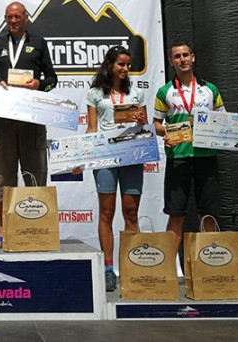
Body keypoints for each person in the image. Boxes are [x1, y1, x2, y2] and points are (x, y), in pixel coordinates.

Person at [153, 41, 238, 251]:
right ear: (171, 62)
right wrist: (169, 132)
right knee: (176, 214)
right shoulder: (165, 91)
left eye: (185, 55)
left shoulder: (210, 89)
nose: (182, 59)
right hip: (178, 157)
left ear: (193, 58)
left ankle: (210, 267)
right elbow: (156, 125)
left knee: (208, 213)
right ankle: (168, 270)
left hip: (206, 155)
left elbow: (223, 120)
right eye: (177, 56)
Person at [0, 1, 57, 249]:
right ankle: (2, 229)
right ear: (5, 19)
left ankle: (36, 226)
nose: (13, 21)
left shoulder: (39, 42)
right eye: (9, 17)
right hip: (3, 120)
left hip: (32, 119)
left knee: (35, 172)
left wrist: (38, 84)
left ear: (25, 18)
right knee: (1, 175)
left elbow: (52, 79)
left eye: (17, 16)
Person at [79, 45, 147, 292]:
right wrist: (81, 156)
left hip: (131, 155)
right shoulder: (95, 94)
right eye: (121, 64)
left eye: (128, 65)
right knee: (106, 213)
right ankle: (108, 268)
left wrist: (141, 121)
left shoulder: (137, 93)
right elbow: (91, 128)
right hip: (105, 157)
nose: (125, 69)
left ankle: (131, 267)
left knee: (131, 213)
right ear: (110, 65)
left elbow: (145, 125)